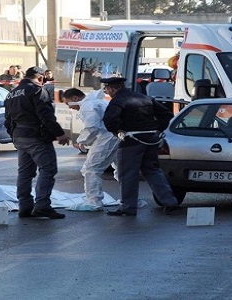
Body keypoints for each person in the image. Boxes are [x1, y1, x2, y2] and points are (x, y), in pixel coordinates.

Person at [101, 77, 180, 216]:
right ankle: (170, 201)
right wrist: (158, 129)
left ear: (113, 88)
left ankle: (127, 207)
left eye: (106, 89)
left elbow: (109, 120)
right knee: (152, 171)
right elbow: (166, 114)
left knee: (127, 174)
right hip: (151, 139)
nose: (106, 91)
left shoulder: (118, 101)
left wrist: (118, 130)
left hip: (131, 140)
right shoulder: (145, 98)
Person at [4, 67, 70, 219]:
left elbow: (7, 120)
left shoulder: (11, 94)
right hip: (36, 137)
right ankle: (42, 205)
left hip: (19, 137)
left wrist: (14, 135)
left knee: (25, 173)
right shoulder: (37, 91)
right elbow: (46, 115)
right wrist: (59, 134)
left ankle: (24, 206)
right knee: (48, 169)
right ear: (40, 78)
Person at [62, 88, 120, 212]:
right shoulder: (99, 102)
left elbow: (92, 127)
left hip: (107, 138)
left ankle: (94, 201)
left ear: (75, 99)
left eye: (68, 104)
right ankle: (130, 198)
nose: (70, 108)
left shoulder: (89, 105)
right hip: (115, 136)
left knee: (91, 169)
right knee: (121, 169)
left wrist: (81, 141)